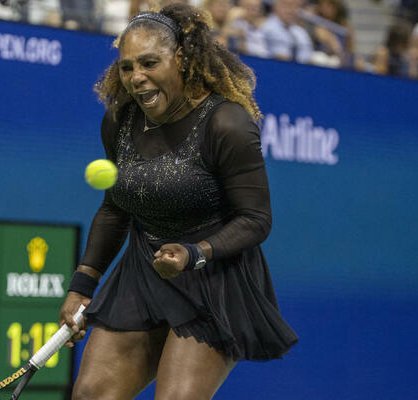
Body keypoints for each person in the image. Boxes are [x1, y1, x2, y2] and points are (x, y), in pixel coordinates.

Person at [59, 3, 298, 399]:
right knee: (91, 394)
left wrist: (194, 253)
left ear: (182, 58)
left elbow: (256, 219)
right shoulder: (120, 120)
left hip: (213, 278)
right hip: (144, 270)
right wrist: (81, 286)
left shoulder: (227, 123)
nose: (137, 77)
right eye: (127, 67)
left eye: (149, 63)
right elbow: (115, 208)